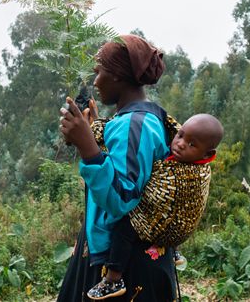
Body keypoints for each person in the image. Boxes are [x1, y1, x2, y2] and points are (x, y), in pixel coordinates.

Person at [58, 34, 176, 301]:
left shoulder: (136, 123)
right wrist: (91, 135)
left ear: (118, 76)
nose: (95, 81)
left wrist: (88, 147)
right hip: (114, 253)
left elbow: (122, 196)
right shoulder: (136, 118)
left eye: (99, 73)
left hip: (128, 265)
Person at [87, 113, 224, 300]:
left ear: (207, 155)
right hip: (166, 230)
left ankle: (113, 279)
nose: (181, 143)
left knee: (124, 229)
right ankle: (172, 248)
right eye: (181, 135)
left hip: (166, 226)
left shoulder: (193, 173)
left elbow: (166, 194)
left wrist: (91, 142)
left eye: (192, 144)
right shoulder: (178, 154)